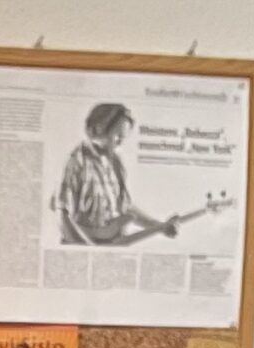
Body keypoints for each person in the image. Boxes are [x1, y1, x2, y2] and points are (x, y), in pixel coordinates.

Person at [55, 101, 178, 246]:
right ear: (100, 129)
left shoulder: (116, 162)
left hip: (114, 241)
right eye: (118, 135)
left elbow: (125, 207)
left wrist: (159, 226)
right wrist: (85, 248)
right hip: (87, 243)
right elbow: (62, 214)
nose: (121, 142)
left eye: (124, 137)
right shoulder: (77, 162)